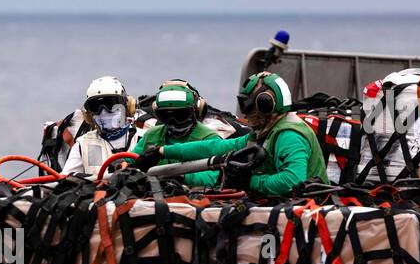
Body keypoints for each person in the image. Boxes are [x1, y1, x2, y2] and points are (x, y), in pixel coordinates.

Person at [135, 72, 328, 196]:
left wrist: (249, 182)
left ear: (265, 104)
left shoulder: (289, 135)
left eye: (247, 105)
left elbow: (293, 181)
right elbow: (215, 148)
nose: (244, 113)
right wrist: (162, 152)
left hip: (309, 212)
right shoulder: (263, 133)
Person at [129, 79, 224, 187]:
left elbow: (216, 176)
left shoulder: (209, 139)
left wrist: (183, 178)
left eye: (180, 115)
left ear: (196, 110)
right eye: (166, 116)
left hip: (194, 198)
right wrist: (121, 164)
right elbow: (131, 158)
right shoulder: (151, 135)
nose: (173, 121)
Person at [60, 76, 138, 176]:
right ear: (88, 114)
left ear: (127, 106)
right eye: (95, 106)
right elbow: (64, 179)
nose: (103, 111)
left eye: (110, 104)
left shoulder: (144, 137)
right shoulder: (83, 144)